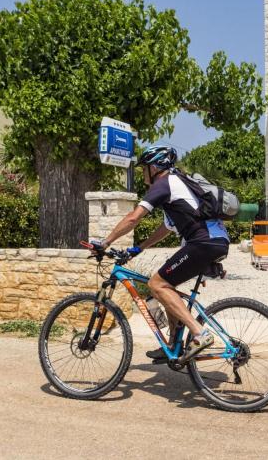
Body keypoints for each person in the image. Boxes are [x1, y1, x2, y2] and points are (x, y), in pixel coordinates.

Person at [96, 145, 230, 362]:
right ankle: (173, 346)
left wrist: (105, 242)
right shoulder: (178, 183)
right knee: (167, 286)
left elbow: (133, 218)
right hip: (214, 241)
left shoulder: (164, 183)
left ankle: (199, 333)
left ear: (154, 167)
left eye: (144, 168)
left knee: (156, 285)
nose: (142, 173)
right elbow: (166, 228)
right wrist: (139, 248)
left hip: (202, 242)